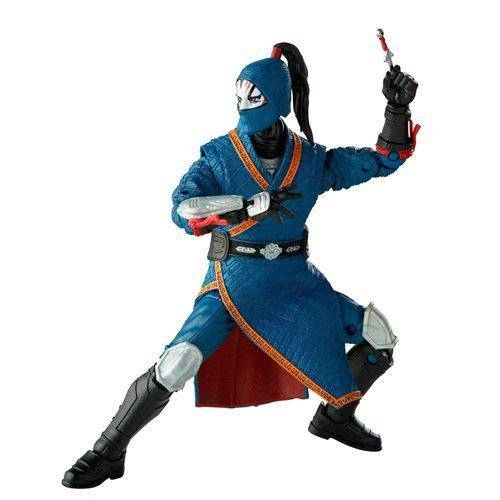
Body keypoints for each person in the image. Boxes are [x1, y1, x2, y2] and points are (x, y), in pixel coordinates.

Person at [63, 42, 418, 489]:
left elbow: (382, 161)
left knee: (379, 336)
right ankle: (109, 449)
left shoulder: (310, 160)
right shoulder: (219, 156)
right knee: (177, 363)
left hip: (295, 283)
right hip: (234, 282)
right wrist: (244, 206)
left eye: (260, 103)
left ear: (280, 103)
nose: (252, 116)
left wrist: (396, 110)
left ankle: (335, 416)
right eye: (244, 102)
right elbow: (183, 208)